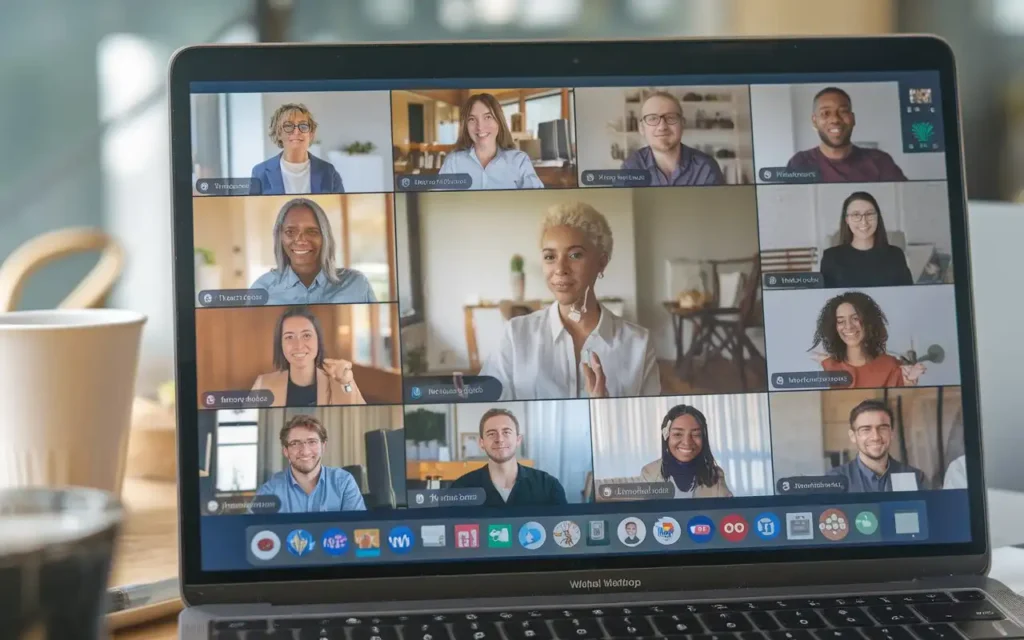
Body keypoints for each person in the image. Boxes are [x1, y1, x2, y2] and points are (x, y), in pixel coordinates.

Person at [480, 202, 660, 400]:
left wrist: (606, 410)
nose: (560, 269)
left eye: (575, 255)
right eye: (550, 256)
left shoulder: (638, 344)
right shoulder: (515, 336)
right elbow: (490, 411)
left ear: (601, 262)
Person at [249, 198, 376, 305]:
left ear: (325, 237)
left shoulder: (356, 284)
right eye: (290, 232)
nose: (300, 240)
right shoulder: (262, 288)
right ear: (280, 237)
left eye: (312, 232)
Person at [785, 87, 907, 183]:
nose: (835, 119)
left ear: (852, 119)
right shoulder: (800, 163)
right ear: (814, 121)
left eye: (843, 112)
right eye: (825, 113)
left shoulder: (880, 162)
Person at [449, 408, 568, 507]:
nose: (499, 439)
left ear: (518, 440)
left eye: (506, 432)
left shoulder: (548, 485)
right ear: (481, 443)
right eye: (491, 434)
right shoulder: (461, 488)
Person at [251, 306, 365, 407]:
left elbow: (358, 415)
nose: (299, 346)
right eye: (289, 337)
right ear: (280, 344)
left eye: (306, 335)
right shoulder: (262, 384)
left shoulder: (339, 381)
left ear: (318, 341)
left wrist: (345, 383)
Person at [809, 291, 925, 388]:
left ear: (869, 322)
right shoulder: (829, 366)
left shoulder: (891, 366)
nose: (848, 326)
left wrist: (909, 383)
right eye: (840, 321)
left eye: (855, 318)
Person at [254, 414, 366, 513]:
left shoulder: (344, 482)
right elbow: (251, 532)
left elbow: (357, 529)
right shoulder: (270, 491)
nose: (305, 451)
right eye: (295, 443)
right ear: (285, 451)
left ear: (323, 446)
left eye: (312, 442)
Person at [437, 93, 543, 190]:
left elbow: (538, 201)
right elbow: (438, 202)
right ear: (466, 126)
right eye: (472, 119)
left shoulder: (519, 161)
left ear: (499, 121)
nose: (480, 127)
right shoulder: (453, 162)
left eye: (488, 117)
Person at [621, 91, 724, 186]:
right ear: (641, 128)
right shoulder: (631, 166)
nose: (662, 127)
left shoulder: (706, 166)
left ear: (682, 124)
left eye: (670, 117)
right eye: (652, 118)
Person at [828, 400, 929, 492]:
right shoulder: (836, 480)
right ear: (853, 436)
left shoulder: (916, 477)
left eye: (882, 428)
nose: (875, 437)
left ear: (892, 433)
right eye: (866, 429)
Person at [819, 191, 914, 288]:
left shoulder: (895, 255)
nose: (864, 222)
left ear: (878, 217)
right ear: (847, 220)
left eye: (869, 214)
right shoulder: (830, 257)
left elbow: (908, 294)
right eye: (856, 215)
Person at [249, 103, 344, 195]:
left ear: (311, 134)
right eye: (288, 126)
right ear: (278, 134)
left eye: (303, 126)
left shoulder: (329, 172)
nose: (297, 131)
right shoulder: (260, 172)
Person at [640, 405, 733, 498]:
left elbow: (729, 509)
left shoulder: (714, 475)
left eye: (696, 434)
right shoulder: (650, 473)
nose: (687, 442)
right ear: (666, 437)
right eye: (678, 434)